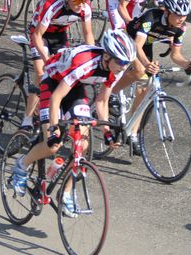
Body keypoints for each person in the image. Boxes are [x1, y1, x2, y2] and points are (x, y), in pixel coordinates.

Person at [10, 30, 137, 216]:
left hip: (75, 87)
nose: (123, 67)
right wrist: (54, 128)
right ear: (107, 56)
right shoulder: (84, 63)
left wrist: (107, 132)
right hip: (52, 84)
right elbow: (56, 98)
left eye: (127, 63)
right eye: (121, 62)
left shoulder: (116, 68)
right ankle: (21, 165)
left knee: (82, 145)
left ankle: (66, 193)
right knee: (53, 144)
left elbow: (102, 101)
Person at [113, 0, 191, 153]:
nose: (181, 19)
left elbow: (176, 55)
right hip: (129, 40)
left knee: (144, 89)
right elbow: (137, 46)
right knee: (140, 70)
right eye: (177, 14)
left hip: (146, 45)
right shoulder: (151, 17)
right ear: (167, 12)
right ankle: (112, 93)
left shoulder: (180, 28)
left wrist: (187, 63)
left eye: (184, 15)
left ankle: (132, 134)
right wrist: (147, 64)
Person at [20, 0, 95, 131]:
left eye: (84, 1)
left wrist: (93, 58)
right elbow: (37, 35)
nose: (81, 5)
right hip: (40, 34)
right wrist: (46, 60)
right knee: (42, 74)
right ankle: (27, 118)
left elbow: (88, 34)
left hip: (59, 35)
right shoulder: (53, 5)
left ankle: (55, 107)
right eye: (77, 1)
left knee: (63, 73)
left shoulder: (85, 7)